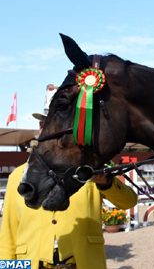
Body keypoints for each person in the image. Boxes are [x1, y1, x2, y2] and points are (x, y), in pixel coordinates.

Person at [0, 114, 138, 269]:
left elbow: (129, 202)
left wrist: (105, 183)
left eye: (57, 124)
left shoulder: (87, 170)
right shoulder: (17, 176)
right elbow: (8, 235)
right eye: (44, 124)